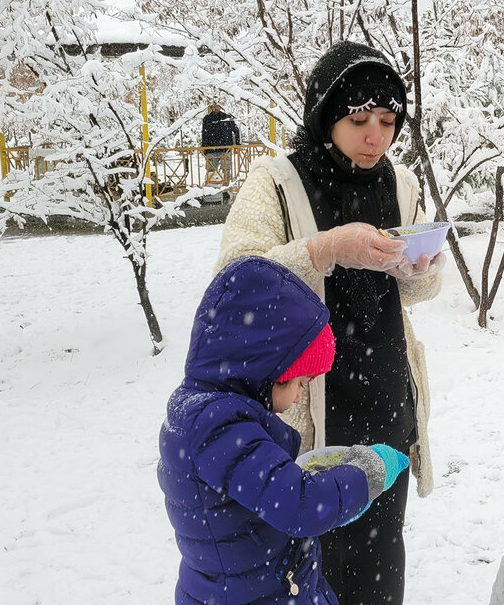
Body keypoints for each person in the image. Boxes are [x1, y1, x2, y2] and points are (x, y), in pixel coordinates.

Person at [214, 40, 444, 605]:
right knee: (310, 568)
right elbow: (233, 282)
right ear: (325, 116)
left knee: (381, 557)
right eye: (359, 119)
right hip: (310, 406)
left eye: (389, 121)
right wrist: (324, 250)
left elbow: (416, 292)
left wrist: (419, 267)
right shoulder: (276, 182)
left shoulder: (401, 183)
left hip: (387, 394)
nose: (376, 137)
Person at [158, 255, 410, 605]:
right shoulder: (219, 425)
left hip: (266, 586)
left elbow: (257, 489)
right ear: (266, 368)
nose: (298, 397)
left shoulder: (207, 410)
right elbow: (300, 506)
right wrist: (367, 472)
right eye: (300, 383)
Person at [201, 103, 242, 185]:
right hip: (213, 150)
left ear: (220, 106)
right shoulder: (208, 119)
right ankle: (213, 188)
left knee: (225, 170)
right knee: (212, 171)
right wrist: (204, 148)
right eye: (214, 106)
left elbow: (236, 130)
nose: (215, 108)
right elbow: (204, 134)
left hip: (223, 149)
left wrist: (237, 144)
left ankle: (225, 188)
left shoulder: (227, 118)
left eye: (217, 106)